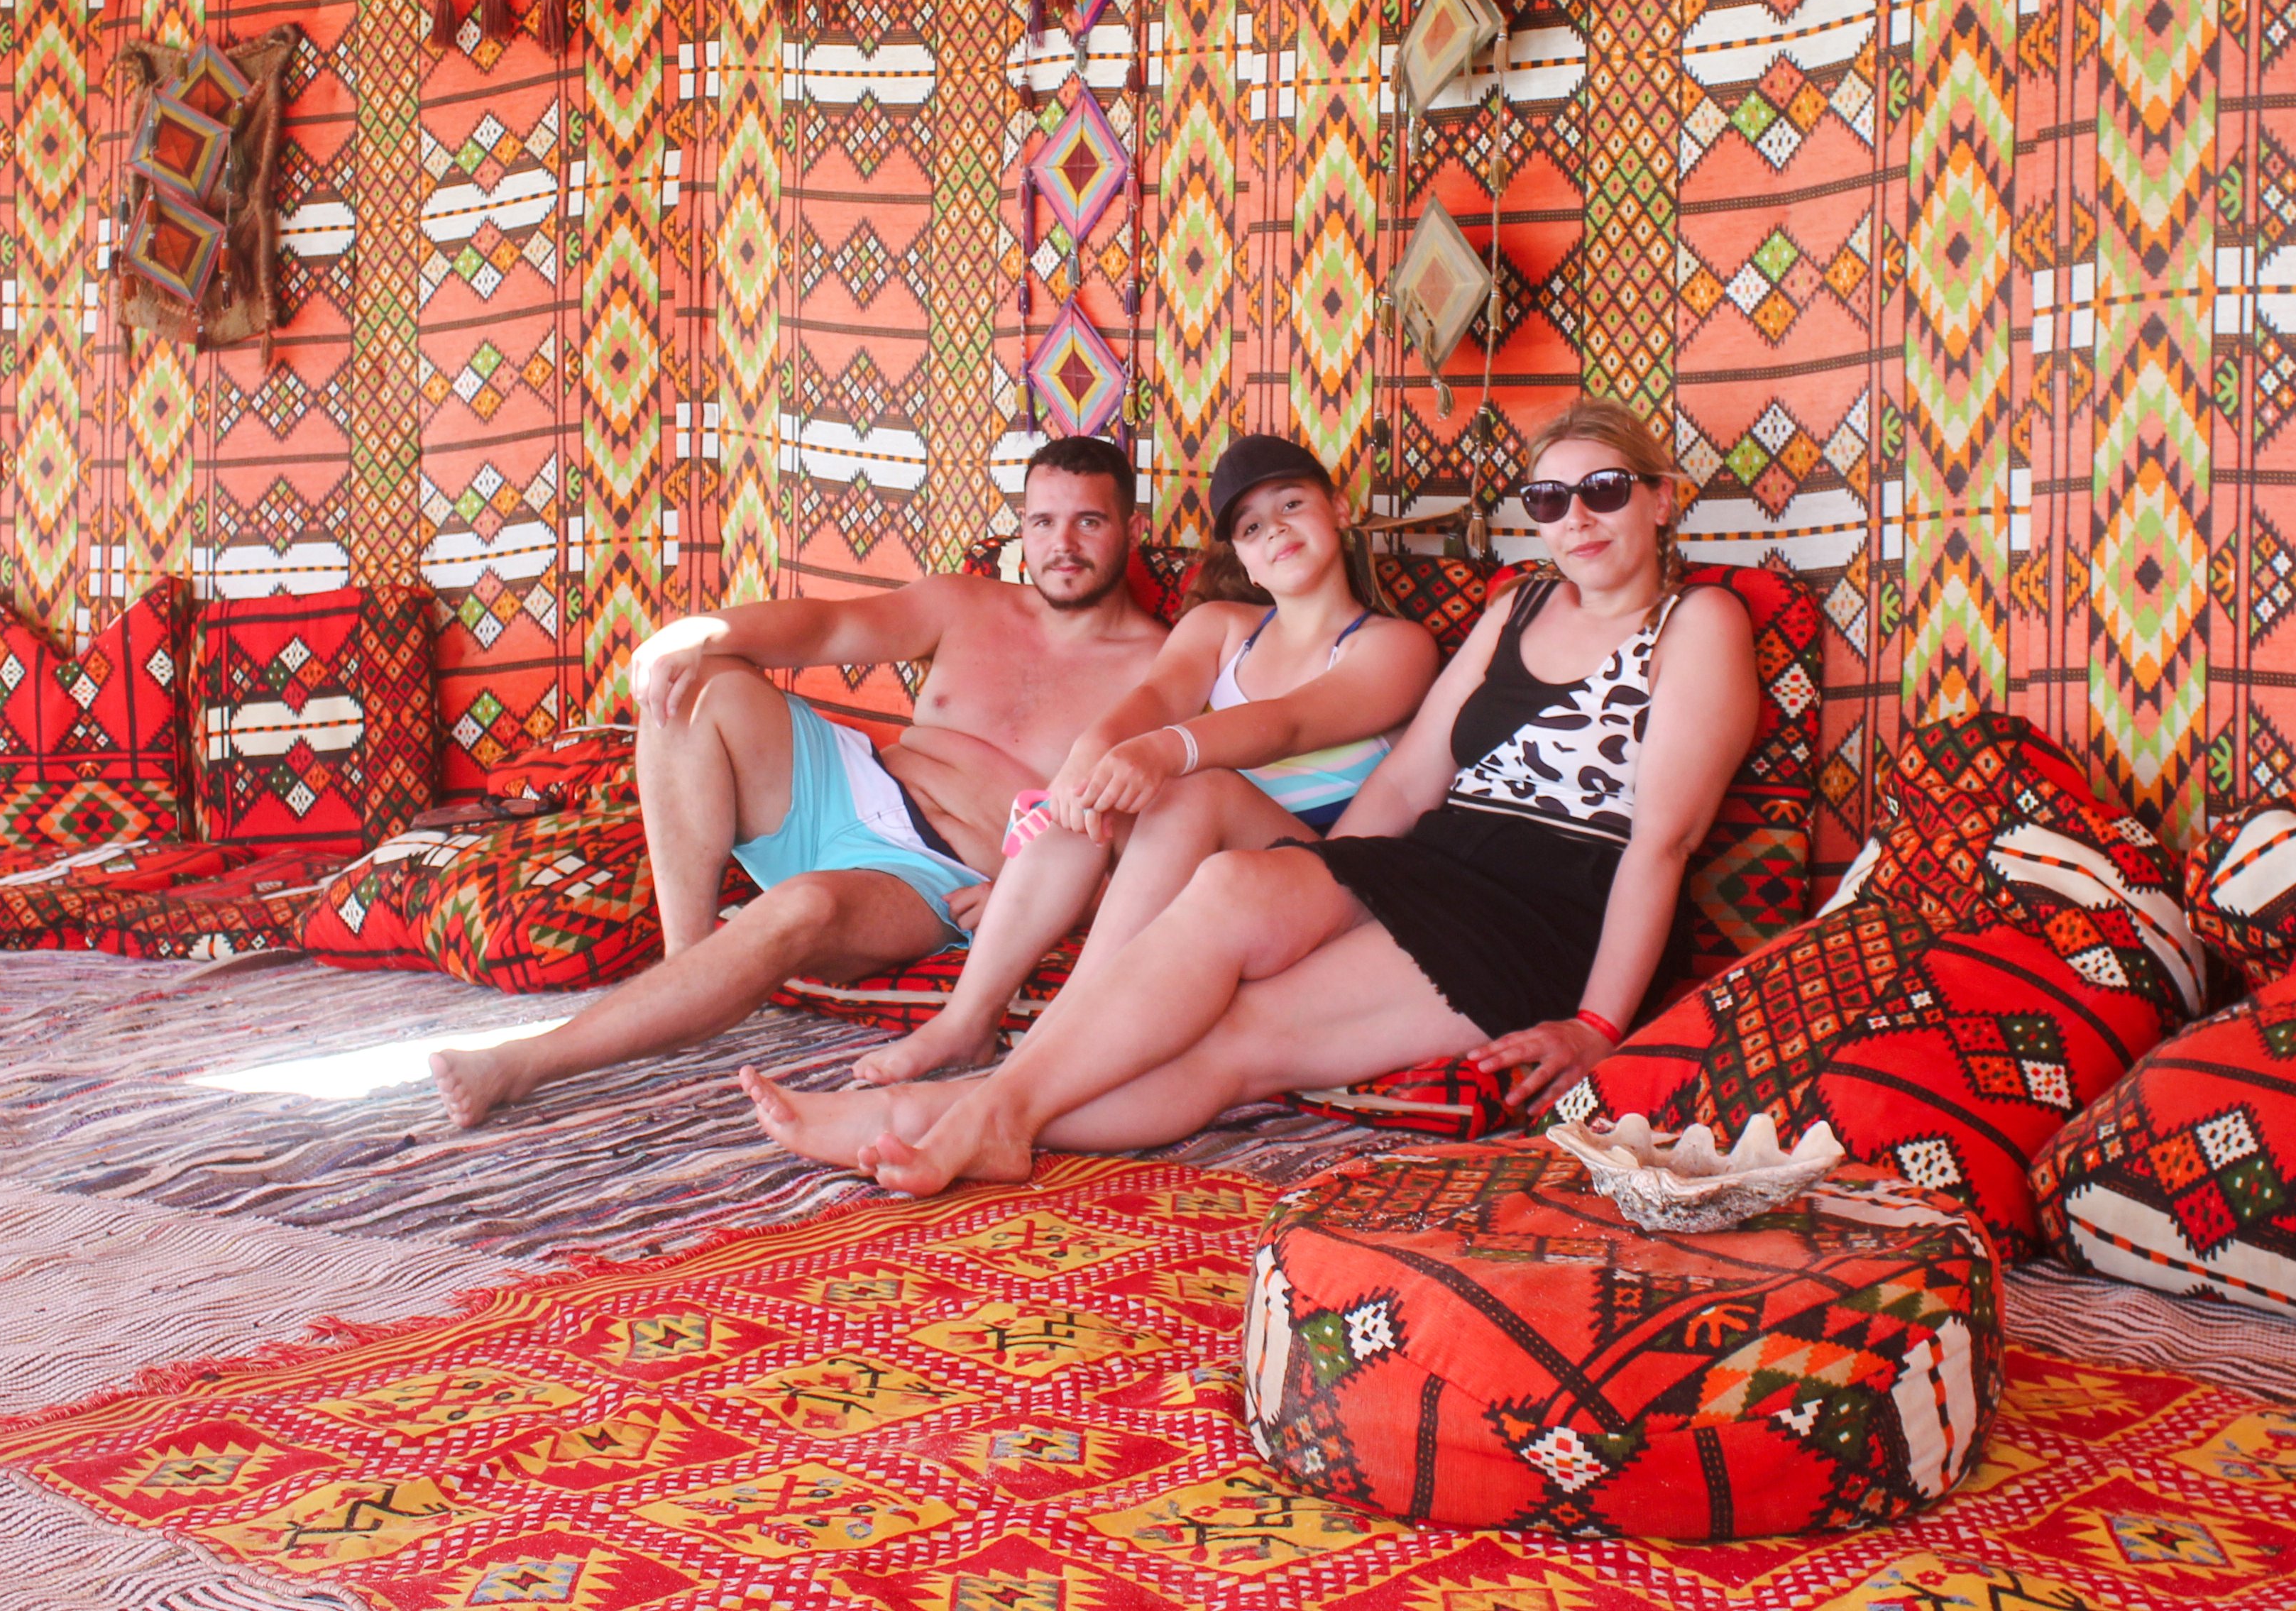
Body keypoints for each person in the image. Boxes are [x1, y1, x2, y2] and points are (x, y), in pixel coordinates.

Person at [745, 396, 1758, 1192]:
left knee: (1240, 1038)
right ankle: (991, 1100)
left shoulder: (1698, 625)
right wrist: (1330, 885)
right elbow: (1411, 778)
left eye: (1605, 493)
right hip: (1435, 858)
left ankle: (950, 1119)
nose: (1575, 520)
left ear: (1661, 498)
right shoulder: (1517, 610)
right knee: (1232, 886)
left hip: (1545, 903)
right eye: (1549, 501)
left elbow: (1657, 844)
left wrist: (1596, 1024)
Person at [429, 434, 1166, 1127]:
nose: (1061, 546)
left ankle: (525, 1064)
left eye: (1088, 522)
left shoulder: (1163, 667)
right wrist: (698, 632)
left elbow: (1167, 828)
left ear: (1129, 527)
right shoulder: (968, 603)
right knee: (694, 685)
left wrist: (1055, 896)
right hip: (845, 785)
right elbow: (826, 628)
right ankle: (689, 963)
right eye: (1042, 522)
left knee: (803, 906)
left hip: (929, 868)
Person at [847, 432, 1439, 1087]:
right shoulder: (1221, 626)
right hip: (1208, 876)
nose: (1275, 530)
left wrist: (1164, 752)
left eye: (1292, 504)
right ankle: (966, 1023)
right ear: (1242, 557)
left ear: (1340, 510)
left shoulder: (1395, 646)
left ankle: (1057, 1042)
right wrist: (1092, 755)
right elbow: (1155, 696)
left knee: (1194, 790)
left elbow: (1288, 723)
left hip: (1323, 890)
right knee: (1097, 792)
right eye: (1250, 526)